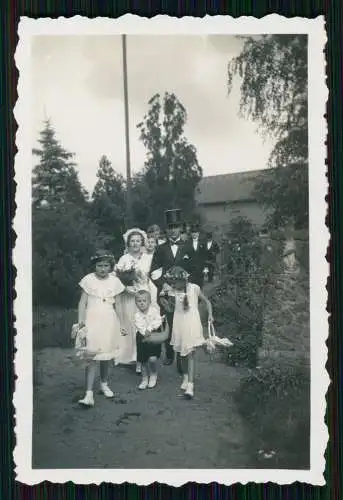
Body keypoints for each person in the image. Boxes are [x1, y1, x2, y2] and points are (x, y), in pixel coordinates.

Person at [76, 249, 125, 407]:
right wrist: (81, 322)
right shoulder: (88, 280)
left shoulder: (115, 282)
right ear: (94, 266)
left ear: (111, 266)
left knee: (106, 356)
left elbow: (118, 304)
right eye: (99, 265)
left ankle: (104, 384)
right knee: (91, 356)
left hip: (109, 321)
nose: (102, 269)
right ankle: (88, 393)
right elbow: (82, 303)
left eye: (106, 266)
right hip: (92, 320)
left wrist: (123, 323)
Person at [150, 209, 191, 367]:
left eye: (176, 226)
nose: (173, 230)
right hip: (166, 293)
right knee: (168, 322)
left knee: (183, 324)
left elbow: (194, 268)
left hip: (183, 292)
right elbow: (153, 271)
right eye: (170, 227)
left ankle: (182, 357)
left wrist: (185, 284)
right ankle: (169, 353)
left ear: (181, 228)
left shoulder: (188, 247)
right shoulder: (160, 249)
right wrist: (163, 284)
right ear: (166, 230)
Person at [166, 266, 213, 399]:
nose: (173, 285)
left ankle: (191, 386)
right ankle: (186, 377)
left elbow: (207, 302)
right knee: (182, 354)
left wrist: (210, 314)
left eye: (175, 282)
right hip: (179, 324)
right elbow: (171, 308)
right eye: (171, 282)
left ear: (184, 280)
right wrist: (165, 302)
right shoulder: (172, 291)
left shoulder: (194, 288)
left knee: (191, 353)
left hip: (192, 324)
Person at [115, 228, 154, 372]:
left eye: (138, 241)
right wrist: (126, 288)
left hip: (144, 294)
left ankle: (142, 358)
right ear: (128, 243)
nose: (135, 243)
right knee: (131, 324)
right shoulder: (124, 259)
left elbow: (152, 276)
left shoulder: (148, 258)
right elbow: (117, 277)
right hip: (129, 297)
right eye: (133, 241)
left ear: (142, 242)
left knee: (143, 325)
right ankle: (132, 355)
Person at [134, 289, 163, 390]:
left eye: (144, 301)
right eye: (139, 301)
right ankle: (144, 378)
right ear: (136, 303)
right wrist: (144, 332)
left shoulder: (154, 311)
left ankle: (153, 374)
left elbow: (158, 321)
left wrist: (150, 329)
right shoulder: (137, 315)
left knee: (152, 358)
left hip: (154, 336)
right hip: (142, 337)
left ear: (149, 302)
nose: (141, 303)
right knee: (143, 360)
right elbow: (139, 326)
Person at [187, 223, 207, 288]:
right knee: (191, 287)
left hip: (200, 269)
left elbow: (205, 256)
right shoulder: (187, 243)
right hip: (190, 269)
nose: (194, 234)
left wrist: (206, 268)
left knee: (200, 286)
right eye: (193, 232)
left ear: (198, 233)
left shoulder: (203, 243)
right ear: (190, 233)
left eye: (196, 232)